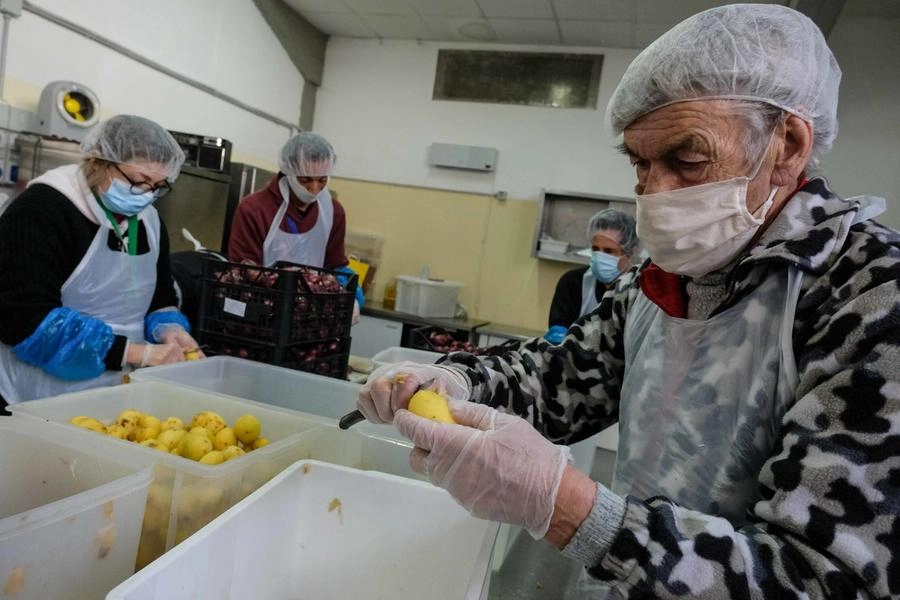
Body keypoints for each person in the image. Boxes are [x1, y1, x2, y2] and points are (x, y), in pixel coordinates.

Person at [357, 4, 900, 598]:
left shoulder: (869, 296)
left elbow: (824, 579)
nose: (654, 194)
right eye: (641, 164)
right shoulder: (661, 276)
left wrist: (566, 508)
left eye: (687, 161)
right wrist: (457, 382)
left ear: (787, 144)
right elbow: (565, 376)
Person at [0, 115, 203, 408]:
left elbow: (160, 295)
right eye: (138, 181)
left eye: (158, 186)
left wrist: (169, 328)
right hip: (36, 393)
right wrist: (135, 354)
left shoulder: (149, 221)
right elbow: (22, 317)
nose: (146, 195)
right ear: (98, 160)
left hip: (115, 392)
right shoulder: (43, 209)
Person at [227, 131, 363, 320]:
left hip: (311, 317)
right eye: (305, 179)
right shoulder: (254, 210)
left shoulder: (333, 212)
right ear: (288, 171)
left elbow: (335, 267)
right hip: (262, 314)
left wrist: (352, 296)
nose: (314, 188)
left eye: (322, 180)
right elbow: (242, 270)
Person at [545, 209, 638, 343]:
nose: (600, 256)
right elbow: (558, 334)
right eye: (595, 249)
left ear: (629, 253)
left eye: (608, 251)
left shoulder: (637, 291)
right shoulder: (573, 282)